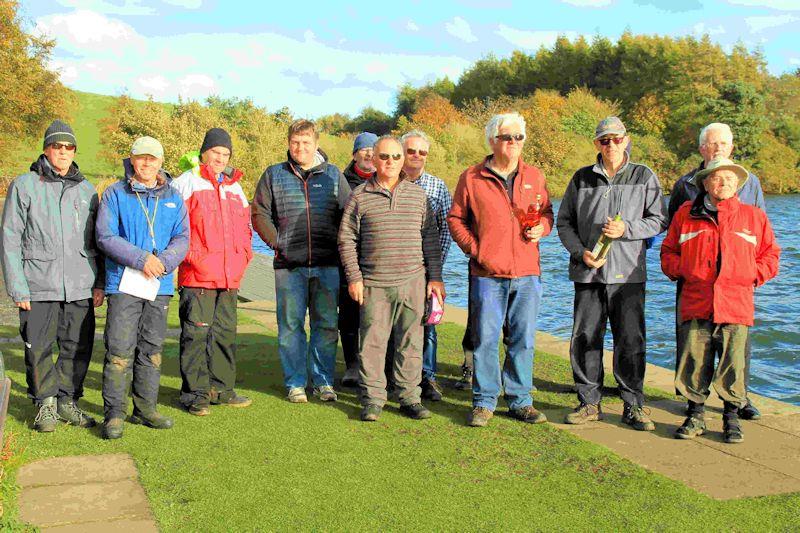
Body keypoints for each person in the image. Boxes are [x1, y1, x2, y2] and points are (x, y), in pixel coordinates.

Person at [557, 116, 667, 431]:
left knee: (630, 340)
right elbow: (563, 222)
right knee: (585, 338)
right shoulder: (581, 178)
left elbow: (659, 219)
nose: (611, 145)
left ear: (626, 140)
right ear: (597, 144)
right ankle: (589, 403)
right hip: (588, 273)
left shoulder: (644, 175)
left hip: (629, 276)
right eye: (604, 140)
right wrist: (580, 252)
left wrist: (627, 228)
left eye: (616, 139)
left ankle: (633, 406)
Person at [661, 157, 779, 443]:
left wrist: (751, 274)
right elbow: (668, 252)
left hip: (735, 304)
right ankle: (695, 415)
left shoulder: (754, 217)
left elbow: (771, 255)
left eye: (729, 178)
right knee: (694, 361)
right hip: (696, 301)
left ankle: (731, 419)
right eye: (716, 178)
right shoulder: (685, 215)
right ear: (705, 183)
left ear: (738, 184)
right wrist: (684, 271)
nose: (723, 183)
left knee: (732, 364)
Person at [448, 112, 552, 428]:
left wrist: (543, 228)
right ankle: (484, 401)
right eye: (508, 137)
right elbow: (456, 219)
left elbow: (548, 212)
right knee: (485, 339)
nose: (514, 143)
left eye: (519, 137)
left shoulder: (535, 176)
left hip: (527, 272)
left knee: (523, 338)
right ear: (493, 140)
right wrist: (476, 249)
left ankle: (520, 400)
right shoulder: (472, 177)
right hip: (487, 274)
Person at [1, 120, 104, 432]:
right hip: (38, 284)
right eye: (57, 146)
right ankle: (45, 403)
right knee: (39, 346)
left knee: (77, 346)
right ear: (46, 149)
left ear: (74, 151)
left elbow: (97, 242)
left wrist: (98, 283)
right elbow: (10, 240)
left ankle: (67, 400)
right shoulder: (25, 185)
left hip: (79, 285)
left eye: (68, 146)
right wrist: (18, 287)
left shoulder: (87, 190)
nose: (62, 151)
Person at [338, 135, 445, 422]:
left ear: (402, 160)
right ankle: (373, 398)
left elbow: (431, 238)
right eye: (384, 157)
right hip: (374, 282)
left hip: (413, 281)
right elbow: (347, 239)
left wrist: (435, 278)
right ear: (373, 160)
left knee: (410, 342)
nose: (390, 162)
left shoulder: (418, 195)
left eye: (396, 157)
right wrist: (354, 277)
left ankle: (409, 397)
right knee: (372, 343)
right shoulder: (359, 196)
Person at [668, 122, 766, 420]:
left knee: (737, 343)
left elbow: (763, 238)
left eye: (724, 143)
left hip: (736, 285)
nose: (719, 148)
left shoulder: (751, 183)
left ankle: (739, 398)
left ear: (731, 147)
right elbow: (673, 232)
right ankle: (692, 399)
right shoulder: (684, 184)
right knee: (692, 340)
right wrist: (683, 269)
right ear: (702, 149)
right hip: (695, 281)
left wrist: (752, 272)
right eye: (713, 144)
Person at [95, 136, 189, 439]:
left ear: (161, 162)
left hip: (158, 285)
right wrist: (140, 259)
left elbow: (182, 238)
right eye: (142, 157)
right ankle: (114, 414)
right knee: (119, 351)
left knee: (152, 351)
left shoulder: (174, 197)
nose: (147, 163)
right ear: (131, 160)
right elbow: (105, 237)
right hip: (124, 283)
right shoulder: (114, 194)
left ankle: (145, 408)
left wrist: (163, 262)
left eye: (153, 158)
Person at [252, 119, 350, 403]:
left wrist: (340, 246)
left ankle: (322, 382)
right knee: (290, 326)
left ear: (316, 144)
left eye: (306, 143)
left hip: (328, 264)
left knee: (327, 325)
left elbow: (348, 215)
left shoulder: (333, 175)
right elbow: (259, 214)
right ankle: (295, 382)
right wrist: (279, 243)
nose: (300, 148)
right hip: (289, 267)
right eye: (295, 142)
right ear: (288, 143)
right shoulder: (273, 174)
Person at [172, 128, 254, 416]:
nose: (220, 158)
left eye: (225, 154)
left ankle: (222, 389)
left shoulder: (235, 187)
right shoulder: (186, 183)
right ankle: (194, 393)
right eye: (215, 152)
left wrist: (244, 256)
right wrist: (192, 257)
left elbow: (246, 227)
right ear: (204, 152)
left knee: (224, 334)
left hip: (229, 275)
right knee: (196, 335)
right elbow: (176, 228)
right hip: (198, 275)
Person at [397, 130, 452, 402]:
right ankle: (394, 377)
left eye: (422, 152)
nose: (417, 156)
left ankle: (427, 377)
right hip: (395, 270)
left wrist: (435, 268)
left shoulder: (438, 186)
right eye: (411, 151)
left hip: (428, 270)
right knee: (394, 325)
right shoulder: (389, 183)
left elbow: (446, 229)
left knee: (429, 324)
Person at [339, 131, 378, 387]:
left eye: (373, 149)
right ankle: (352, 364)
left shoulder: (387, 180)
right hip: (347, 258)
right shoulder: (340, 181)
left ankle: (374, 366)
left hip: (377, 259)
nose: (368, 153)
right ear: (354, 154)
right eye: (363, 149)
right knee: (349, 314)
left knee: (377, 315)